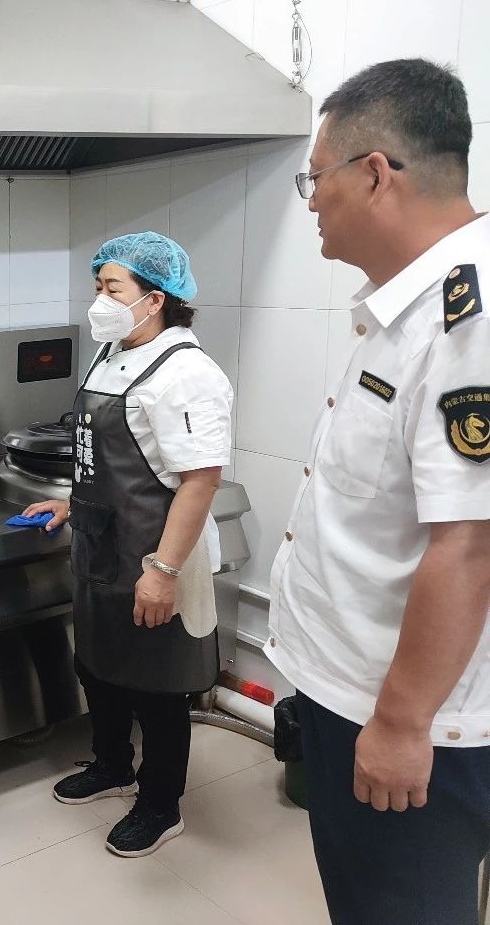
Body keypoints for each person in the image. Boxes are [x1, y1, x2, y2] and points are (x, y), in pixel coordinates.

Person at [267, 58, 490, 925]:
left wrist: (400, 724)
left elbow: (470, 543)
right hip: (360, 693)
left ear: (373, 174)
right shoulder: (411, 306)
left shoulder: (466, 320)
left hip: (404, 714)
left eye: (315, 177)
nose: (311, 202)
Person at [24, 231, 234, 858]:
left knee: (157, 685)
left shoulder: (186, 373)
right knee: (100, 666)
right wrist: (71, 504)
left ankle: (160, 804)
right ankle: (112, 765)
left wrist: (163, 571)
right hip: (100, 545)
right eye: (98, 286)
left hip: (154, 553)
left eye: (112, 288)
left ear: (156, 298)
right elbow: (108, 459)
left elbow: (200, 481)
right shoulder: (112, 353)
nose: (100, 300)